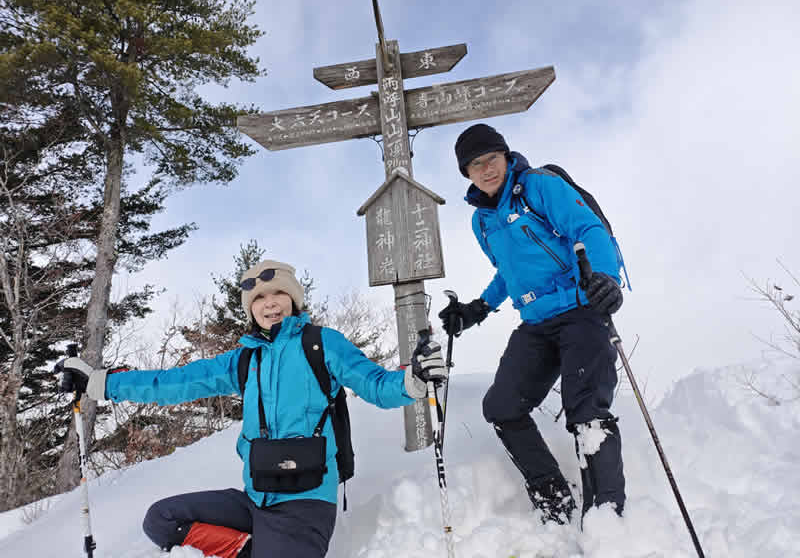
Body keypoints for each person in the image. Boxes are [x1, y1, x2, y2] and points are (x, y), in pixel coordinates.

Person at [61, 259, 445, 558]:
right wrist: (100, 383)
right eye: (259, 298)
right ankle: (248, 550)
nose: (269, 303)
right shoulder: (245, 359)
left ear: (293, 299)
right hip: (255, 497)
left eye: (277, 293)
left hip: (306, 504)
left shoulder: (321, 343)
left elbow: (376, 385)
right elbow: (175, 382)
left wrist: (413, 380)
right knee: (161, 519)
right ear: (250, 308)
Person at [438, 124, 625, 525]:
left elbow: (587, 227)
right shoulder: (482, 221)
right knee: (501, 407)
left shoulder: (539, 186)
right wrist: (477, 308)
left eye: (492, 158)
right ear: (466, 173)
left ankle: (606, 519)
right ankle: (556, 502)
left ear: (506, 156)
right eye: (475, 165)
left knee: (586, 410)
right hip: (537, 323)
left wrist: (606, 278)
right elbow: (507, 272)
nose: (486, 169)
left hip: (580, 308)